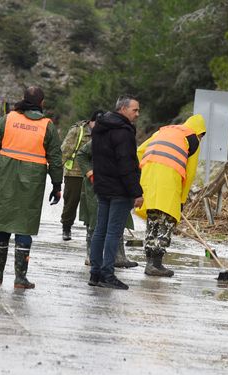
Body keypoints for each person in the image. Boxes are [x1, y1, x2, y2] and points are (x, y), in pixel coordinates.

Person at [0, 86, 63, 289]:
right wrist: (57, 184)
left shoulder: (7, 119)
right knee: (24, 224)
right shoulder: (47, 126)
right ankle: (20, 278)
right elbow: (55, 158)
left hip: (6, 176)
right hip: (32, 180)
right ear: (41, 103)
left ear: (23, 99)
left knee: (3, 222)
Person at [135, 115, 207, 277]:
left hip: (149, 178)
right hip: (168, 181)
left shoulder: (164, 131)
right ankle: (156, 264)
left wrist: (142, 172)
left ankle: (149, 262)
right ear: (200, 132)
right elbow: (190, 174)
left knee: (152, 219)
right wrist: (182, 200)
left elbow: (140, 151)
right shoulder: (193, 140)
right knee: (167, 221)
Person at [88, 95, 144, 290]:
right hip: (119, 190)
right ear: (122, 109)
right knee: (113, 232)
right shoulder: (123, 132)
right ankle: (107, 273)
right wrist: (137, 192)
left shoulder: (100, 128)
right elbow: (127, 165)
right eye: (134, 110)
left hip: (103, 187)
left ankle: (95, 273)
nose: (137, 114)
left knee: (100, 231)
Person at [77, 125, 138, 269]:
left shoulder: (127, 142)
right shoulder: (103, 140)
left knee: (118, 221)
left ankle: (119, 257)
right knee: (95, 220)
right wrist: (91, 173)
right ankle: (92, 256)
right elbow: (81, 155)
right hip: (98, 186)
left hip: (118, 188)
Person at [59, 110, 100, 241]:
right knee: (71, 202)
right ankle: (66, 227)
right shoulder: (78, 131)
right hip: (74, 173)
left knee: (92, 204)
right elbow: (65, 150)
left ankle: (90, 229)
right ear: (91, 121)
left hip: (92, 174)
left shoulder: (103, 133)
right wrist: (56, 170)